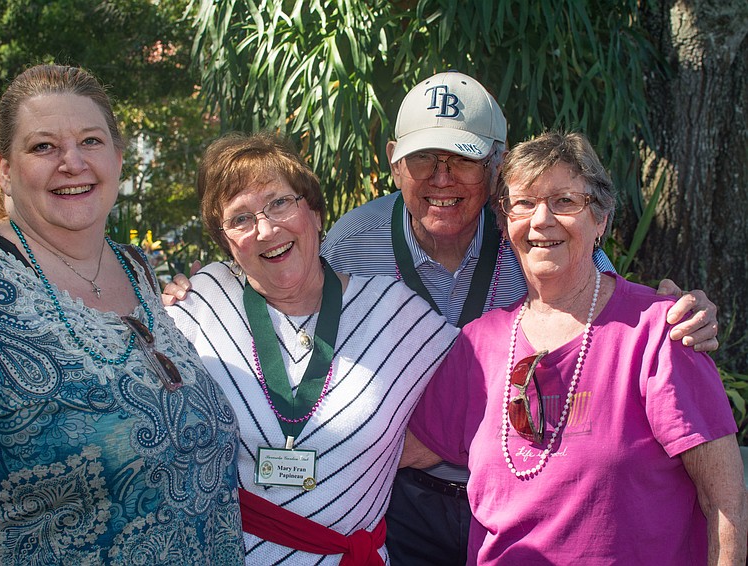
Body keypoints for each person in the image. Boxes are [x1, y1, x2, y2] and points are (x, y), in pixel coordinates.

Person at [162, 71, 721, 565]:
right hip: (402, 497)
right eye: (424, 158)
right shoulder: (353, 243)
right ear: (393, 161)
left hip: (512, 498)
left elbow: (595, 279)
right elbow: (285, 281)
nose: (442, 177)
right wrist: (198, 290)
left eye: (463, 160)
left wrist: (670, 305)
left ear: (496, 165)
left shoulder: (526, 234)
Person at [0, 64, 244, 564]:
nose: (72, 162)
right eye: (44, 147)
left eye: (90, 140)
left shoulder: (139, 269)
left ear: (118, 159)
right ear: (3, 168)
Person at [405, 131, 747, 564]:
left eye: (565, 201)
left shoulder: (661, 333)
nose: (541, 219)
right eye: (524, 203)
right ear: (506, 220)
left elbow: (726, 502)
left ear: (600, 219)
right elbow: (388, 452)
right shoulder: (480, 343)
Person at [165, 131, 460, 564]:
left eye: (279, 203)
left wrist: (387, 449)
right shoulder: (197, 306)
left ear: (316, 214)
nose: (265, 229)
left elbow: (484, 390)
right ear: (226, 240)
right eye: (240, 219)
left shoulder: (395, 313)